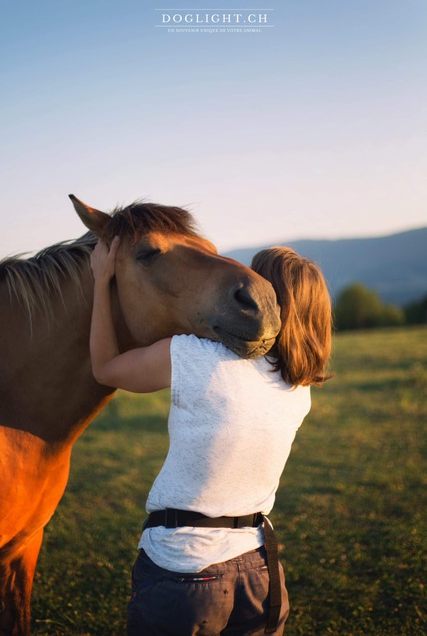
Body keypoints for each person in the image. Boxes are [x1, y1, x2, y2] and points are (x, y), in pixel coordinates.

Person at [89, 237, 332, 636]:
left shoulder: (199, 356)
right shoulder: (299, 387)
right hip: (261, 571)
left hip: (184, 568)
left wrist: (102, 281)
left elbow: (105, 368)